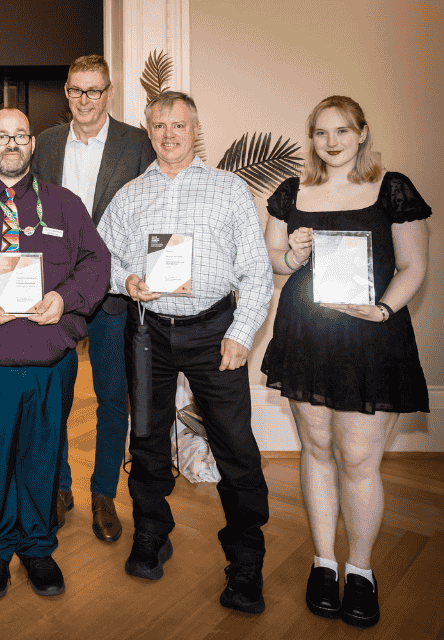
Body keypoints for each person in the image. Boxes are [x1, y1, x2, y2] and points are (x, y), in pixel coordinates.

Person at [99, 91, 273, 614]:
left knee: (234, 445)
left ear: (195, 128)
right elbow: (99, 257)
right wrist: (127, 278)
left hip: (211, 332)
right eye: (158, 126)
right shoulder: (130, 195)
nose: (168, 134)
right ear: (148, 132)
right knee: (148, 437)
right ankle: (151, 533)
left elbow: (257, 271)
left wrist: (241, 333)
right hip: (148, 332)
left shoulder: (229, 190)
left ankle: (246, 559)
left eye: (178, 124)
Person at [260, 95, 430, 629]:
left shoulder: (392, 187)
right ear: (311, 138)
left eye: (341, 131)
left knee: (358, 460)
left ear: (361, 133)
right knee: (315, 449)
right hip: (306, 336)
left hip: (370, 338)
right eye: (320, 132)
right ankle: (323, 561)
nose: (331, 142)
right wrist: (294, 253)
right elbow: (274, 262)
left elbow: (413, 265)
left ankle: (360, 569)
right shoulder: (292, 193)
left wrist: (382, 309)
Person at [0, 109, 111, 598]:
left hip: (48, 360)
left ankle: (37, 546)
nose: (11, 144)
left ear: (33, 144)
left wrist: (65, 300)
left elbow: (97, 261)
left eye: (20, 136)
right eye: (1, 136)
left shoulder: (65, 205)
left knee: (41, 457)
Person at [31, 54, 155, 539]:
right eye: (77, 91)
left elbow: (150, 212)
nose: (86, 100)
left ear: (109, 92)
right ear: (66, 91)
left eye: (95, 91)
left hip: (114, 294)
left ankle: (104, 493)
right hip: (55, 292)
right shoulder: (44, 144)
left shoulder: (137, 144)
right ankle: (59, 488)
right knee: (54, 395)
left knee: (111, 396)